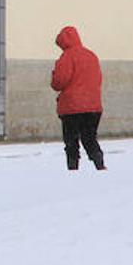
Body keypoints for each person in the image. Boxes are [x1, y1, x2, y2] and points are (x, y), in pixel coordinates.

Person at [50, 25, 105, 171]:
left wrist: (54, 75)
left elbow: (58, 82)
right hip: (93, 106)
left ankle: (73, 169)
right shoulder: (91, 55)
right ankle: (100, 165)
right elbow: (98, 79)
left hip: (72, 107)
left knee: (71, 142)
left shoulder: (66, 57)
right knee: (90, 138)